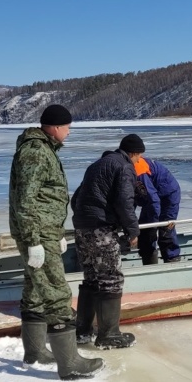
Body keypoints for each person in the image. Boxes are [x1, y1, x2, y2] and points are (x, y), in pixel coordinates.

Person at [8, 104, 103, 379]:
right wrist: (33, 240)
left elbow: (44, 198)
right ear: (55, 127)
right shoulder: (36, 152)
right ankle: (70, 362)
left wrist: (57, 233)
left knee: (36, 290)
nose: (69, 132)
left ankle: (36, 351)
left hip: (45, 231)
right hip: (37, 233)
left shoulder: (42, 149)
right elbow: (25, 200)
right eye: (67, 127)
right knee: (56, 292)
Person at [70, 135, 142, 349]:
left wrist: (86, 220)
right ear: (134, 154)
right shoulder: (124, 167)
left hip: (82, 228)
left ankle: (83, 331)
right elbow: (124, 202)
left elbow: (76, 199)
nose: (138, 162)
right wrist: (132, 230)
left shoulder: (96, 165)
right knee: (111, 278)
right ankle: (109, 335)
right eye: (139, 158)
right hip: (101, 228)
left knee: (92, 277)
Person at [130, 137, 182, 265]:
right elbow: (129, 200)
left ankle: (172, 261)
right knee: (145, 232)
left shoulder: (139, 171)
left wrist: (153, 224)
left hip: (167, 196)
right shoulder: (122, 167)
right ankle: (149, 263)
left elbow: (153, 201)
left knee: (165, 229)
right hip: (150, 197)